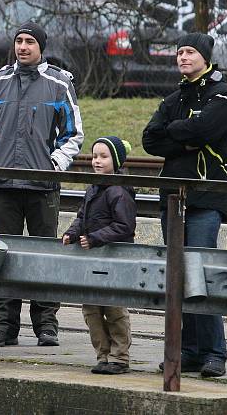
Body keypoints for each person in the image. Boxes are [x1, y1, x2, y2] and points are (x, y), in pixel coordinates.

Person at [0, 21, 84, 348]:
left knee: (43, 258)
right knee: (0, 256)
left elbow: (73, 134)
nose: (23, 47)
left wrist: (54, 165)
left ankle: (46, 326)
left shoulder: (59, 85)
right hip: (4, 185)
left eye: (29, 42)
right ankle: (4, 327)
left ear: (41, 47)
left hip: (42, 186)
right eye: (19, 41)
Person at [142, 32, 227, 378]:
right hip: (171, 197)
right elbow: (150, 138)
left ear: (205, 57)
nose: (182, 57)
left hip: (205, 197)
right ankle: (190, 350)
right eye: (179, 52)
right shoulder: (174, 98)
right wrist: (185, 139)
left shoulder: (222, 94)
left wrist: (176, 132)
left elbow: (208, 130)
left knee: (200, 273)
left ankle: (214, 353)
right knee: (180, 277)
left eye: (189, 51)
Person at [62, 136, 136, 375]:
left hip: (113, 259)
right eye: (94, 156)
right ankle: (103, 354)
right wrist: (72, 233)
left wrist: (95, 238)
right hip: (91, 258)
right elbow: (82, 216)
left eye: (104, 157)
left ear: (116, 160)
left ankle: (119, 357)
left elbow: (125, 226)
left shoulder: (118, 190)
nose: (97, 161)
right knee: (91, 308)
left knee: (114, 308)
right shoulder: (93, 188)